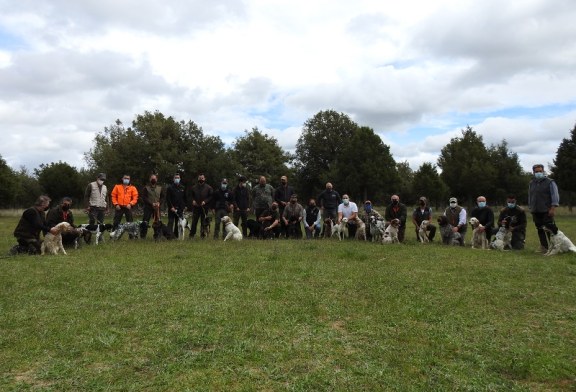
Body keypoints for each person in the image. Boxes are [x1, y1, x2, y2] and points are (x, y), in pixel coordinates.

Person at [528, 164, 560, 253]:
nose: (538, 173)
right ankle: (544, 247)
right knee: (539, 229)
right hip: (536, 210)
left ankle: (554, 247)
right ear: (533, 172)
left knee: (549, 229)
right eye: (536, 171)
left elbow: (555, 195)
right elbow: (530, 196)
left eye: (540, 171)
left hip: (547, 210)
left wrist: (553, 208)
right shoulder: (532, 183)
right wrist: (531, 207)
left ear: (543, 171)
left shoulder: (550, 182)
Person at [187, 173, 213, 239]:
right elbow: (190, 196)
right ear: (198, 179)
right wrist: (192, 201)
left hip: (204, 208)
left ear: (204, 179)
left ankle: (202, 235)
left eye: (202, 178)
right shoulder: (193, 187)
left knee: (203, 222)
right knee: (194, 222)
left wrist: (205, 201)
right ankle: (191, 235)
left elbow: (211, 196)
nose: (201, 179)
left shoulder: (209, 187)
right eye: (200, 178)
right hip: (196, 207)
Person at [140, 174, 165, 239]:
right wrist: (151, 203)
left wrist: (159, 203)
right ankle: (143, 236)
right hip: (148, 207)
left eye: (154, 179)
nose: (153, 180)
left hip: (157, 208)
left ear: (156, 179)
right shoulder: (146, 188)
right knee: (145, 221)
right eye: (152, 178)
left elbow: (162, 197)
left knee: (157, 222)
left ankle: (157, 235)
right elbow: (144, 197)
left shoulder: (160, 188)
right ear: (150, 179)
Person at [166, 173, 187, 238]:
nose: (177, 179)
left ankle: (176, 236)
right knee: (170, 222)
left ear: (180, 179)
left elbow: (185, 198)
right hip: (172, 208)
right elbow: (168, 199)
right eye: (175, 178)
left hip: (180, 209)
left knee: (178, 223)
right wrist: (171, 207)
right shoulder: (170, 188)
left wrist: (185, 206)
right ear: (173, 179)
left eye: (178, 178)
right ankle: (169, 236)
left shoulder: (183, 187)